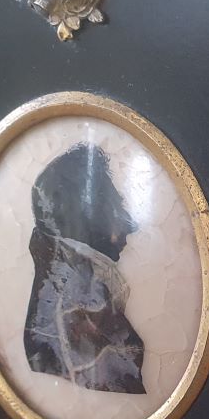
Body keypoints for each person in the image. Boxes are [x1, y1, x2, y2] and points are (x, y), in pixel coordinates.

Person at [24, 142, 146, 394]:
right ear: (81, 213)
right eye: (115, 204)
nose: (130, 224)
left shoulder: (71, 294)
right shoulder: (77, 311)